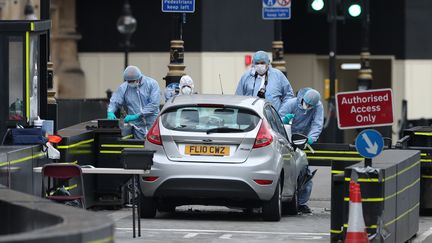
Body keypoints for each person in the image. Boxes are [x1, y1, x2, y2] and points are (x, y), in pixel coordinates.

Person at [279, 87, 324, 214]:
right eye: (307, 104)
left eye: (311, 105)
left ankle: (302, 203)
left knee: (305, 172)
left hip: (303, 141)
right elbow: (276, 122)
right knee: (286, 170)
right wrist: (284, 121)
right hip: (287, 139)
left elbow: (317, 124)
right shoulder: (291, 104)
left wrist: (311, 138)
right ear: (303, 99)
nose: (308, 107)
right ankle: (283, 198)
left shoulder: (317, 106)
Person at [107, 66, 161, 139]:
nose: (130, 83)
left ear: (139, 78)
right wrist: (110, 111)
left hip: (153, 124)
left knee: (154, 146)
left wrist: (138, 115)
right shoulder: (124, 87)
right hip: (137, 127)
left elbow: (154, 104)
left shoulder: (152, 84)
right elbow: (115, 101)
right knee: (139, 148)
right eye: (128, 81)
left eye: (132, 81)